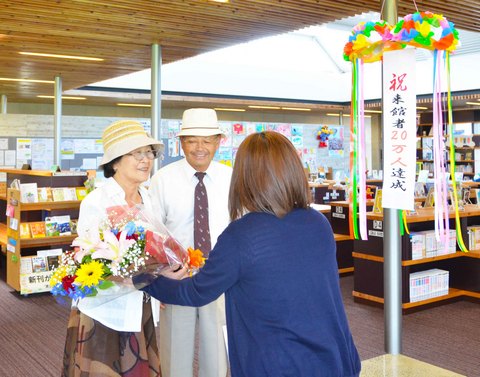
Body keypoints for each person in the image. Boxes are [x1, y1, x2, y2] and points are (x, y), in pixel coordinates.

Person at [140, 131, 362, 377]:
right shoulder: (317, 222)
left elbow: (195, 291)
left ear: (245, 178)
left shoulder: (242, 236)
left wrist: (143, 280)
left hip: (279, 363)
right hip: (335, 356)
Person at [63, 120, 164, 377]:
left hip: (142, 304)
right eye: (137, 154)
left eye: (149, 153)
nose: (146, 160)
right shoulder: (97, 202)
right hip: (104, 311)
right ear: (115, 162)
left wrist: (162, 275)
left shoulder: (149, 198)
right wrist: (131, 275)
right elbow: (88, 262)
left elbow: (158, 247)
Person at [149, 108, 231, 377]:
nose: (200, 147)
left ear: (219, 141)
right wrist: (157, 282)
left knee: (217, 351)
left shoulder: (232, 178)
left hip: (219, 275)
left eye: (207, 140)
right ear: (181, 142)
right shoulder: (162, 180)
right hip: (178, 278)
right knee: (175, 351)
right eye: (192, 140)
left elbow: (241, 228)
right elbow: (152, 235)